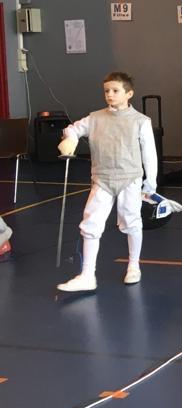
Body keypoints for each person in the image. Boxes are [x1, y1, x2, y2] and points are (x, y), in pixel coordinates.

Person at [55, 72, 158, 291]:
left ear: (129, 93)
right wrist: (71, 138)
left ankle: (133, 266)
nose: (110, 95)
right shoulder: (95, 118)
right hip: (102, 179)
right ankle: (87, 275)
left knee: (131, 221)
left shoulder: (140, 121)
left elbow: (149, 154)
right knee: (91, 224)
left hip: (129, 179)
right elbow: (72, 128)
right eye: (106, 91)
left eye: (115, 91)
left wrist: (150, 183)